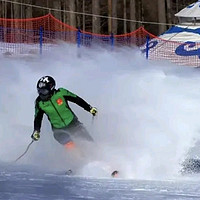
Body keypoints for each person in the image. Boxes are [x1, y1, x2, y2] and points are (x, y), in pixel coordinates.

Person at [31, 75, 97, 149]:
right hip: (59, 130)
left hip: (73, 123)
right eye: (39, 91)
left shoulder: (61, 93)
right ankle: (82, 159)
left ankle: (98, 155)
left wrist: (89, 108)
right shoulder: (39, 103)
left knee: (88, 142)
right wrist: (36, 131)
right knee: (71, 146)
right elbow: (38, 118)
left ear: (51, 88)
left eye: (44, 91)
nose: (41, 94)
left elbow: (77, 100)